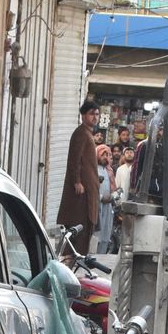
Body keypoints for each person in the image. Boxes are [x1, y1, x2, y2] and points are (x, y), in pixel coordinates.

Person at [58, 101, 101, 254]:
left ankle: (75, 263)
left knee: (86, 230)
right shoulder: (81, 133)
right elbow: (74, 159)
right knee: (78, 230)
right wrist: (77, 181)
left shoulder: (88, 133)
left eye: (96, 114)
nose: (94, 117)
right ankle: (68, 264)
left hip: (89, 190)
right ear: (83, 115)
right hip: (81, 193)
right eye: (91, 114)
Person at [95, 143, 116, 254]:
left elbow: (113, 188)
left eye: (107, 155)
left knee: (105, 234)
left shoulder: (109, 171)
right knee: (95, 236)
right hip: (97, 205)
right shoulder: (93, 169)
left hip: (107, 207)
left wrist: (113, 197)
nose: (105, 157)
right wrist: (101, 198)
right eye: (103, 154)